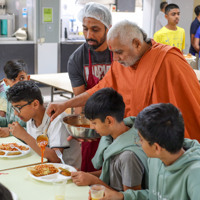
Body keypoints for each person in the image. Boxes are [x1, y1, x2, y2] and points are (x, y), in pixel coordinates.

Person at [47, 20, 200, 143]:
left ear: (137, 44)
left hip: (167, 144)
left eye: (119, 52)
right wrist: (65, 104)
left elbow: (188, 104)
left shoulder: (168, 60)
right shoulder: (121, 65)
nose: (115, 59)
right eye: (112, 53)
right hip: (135, 143)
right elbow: (98, 90)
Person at [95, 103, 200, 200]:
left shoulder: (195, 177)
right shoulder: (156, 159)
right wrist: (122, 196)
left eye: (141, 139)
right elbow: (155, 195)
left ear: (156, 148)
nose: (138, 143)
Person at [71, 88, 148, 192]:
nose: (91, 127)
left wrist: (93, 180)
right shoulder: (111, 137)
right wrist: (85, 175)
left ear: (109, 121)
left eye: (94, 123)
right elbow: (110, 173)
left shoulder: (129, 156)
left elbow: (129, 197)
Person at [67, 2, 113, 172]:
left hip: (122, 122)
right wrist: (81, 128)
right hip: (93, 125)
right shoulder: (77, 59)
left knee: (118, 172)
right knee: (90, 173)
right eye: (85, 28)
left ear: (108, 28)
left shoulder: (119, 52)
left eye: (95, 29)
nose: (88, 34)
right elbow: (80, 99)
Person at [7, 81, 81, 168]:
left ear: (35, 104)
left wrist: (25, 136)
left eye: (18, 108)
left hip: (66, 172)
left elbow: (56, 158)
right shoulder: (30, 118)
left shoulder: (56, 118)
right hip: (44, 167)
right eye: (14, 108)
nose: (15, 113)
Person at [0, 60, 29, 137]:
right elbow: (8, 122)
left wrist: (10, 131)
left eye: (22, 78)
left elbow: (36, 131)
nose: (18, 83)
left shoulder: (33, 100)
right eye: (13, 79)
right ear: (6, 82)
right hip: (14, 142)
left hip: (29, 144)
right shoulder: (10, 97)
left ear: (28, 78)